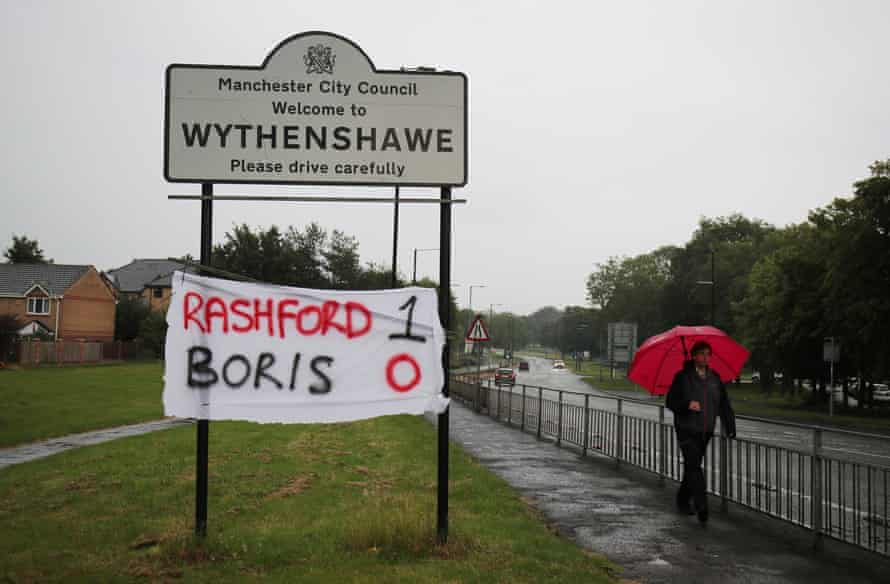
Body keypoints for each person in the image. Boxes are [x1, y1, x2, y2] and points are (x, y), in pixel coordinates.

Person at [666, 340, 736, 523]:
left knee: (692, 467)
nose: (705, 358)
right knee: (695, 466)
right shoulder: (682, 377)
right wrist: (687, 405)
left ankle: (682, 500)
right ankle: (701, 505)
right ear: (694, 356)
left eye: (708, 354)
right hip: (686, 429)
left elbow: (724, 404)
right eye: (702, 354)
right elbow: (671, 402)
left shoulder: (715, 378)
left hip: (705, 430)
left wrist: (730, 425)